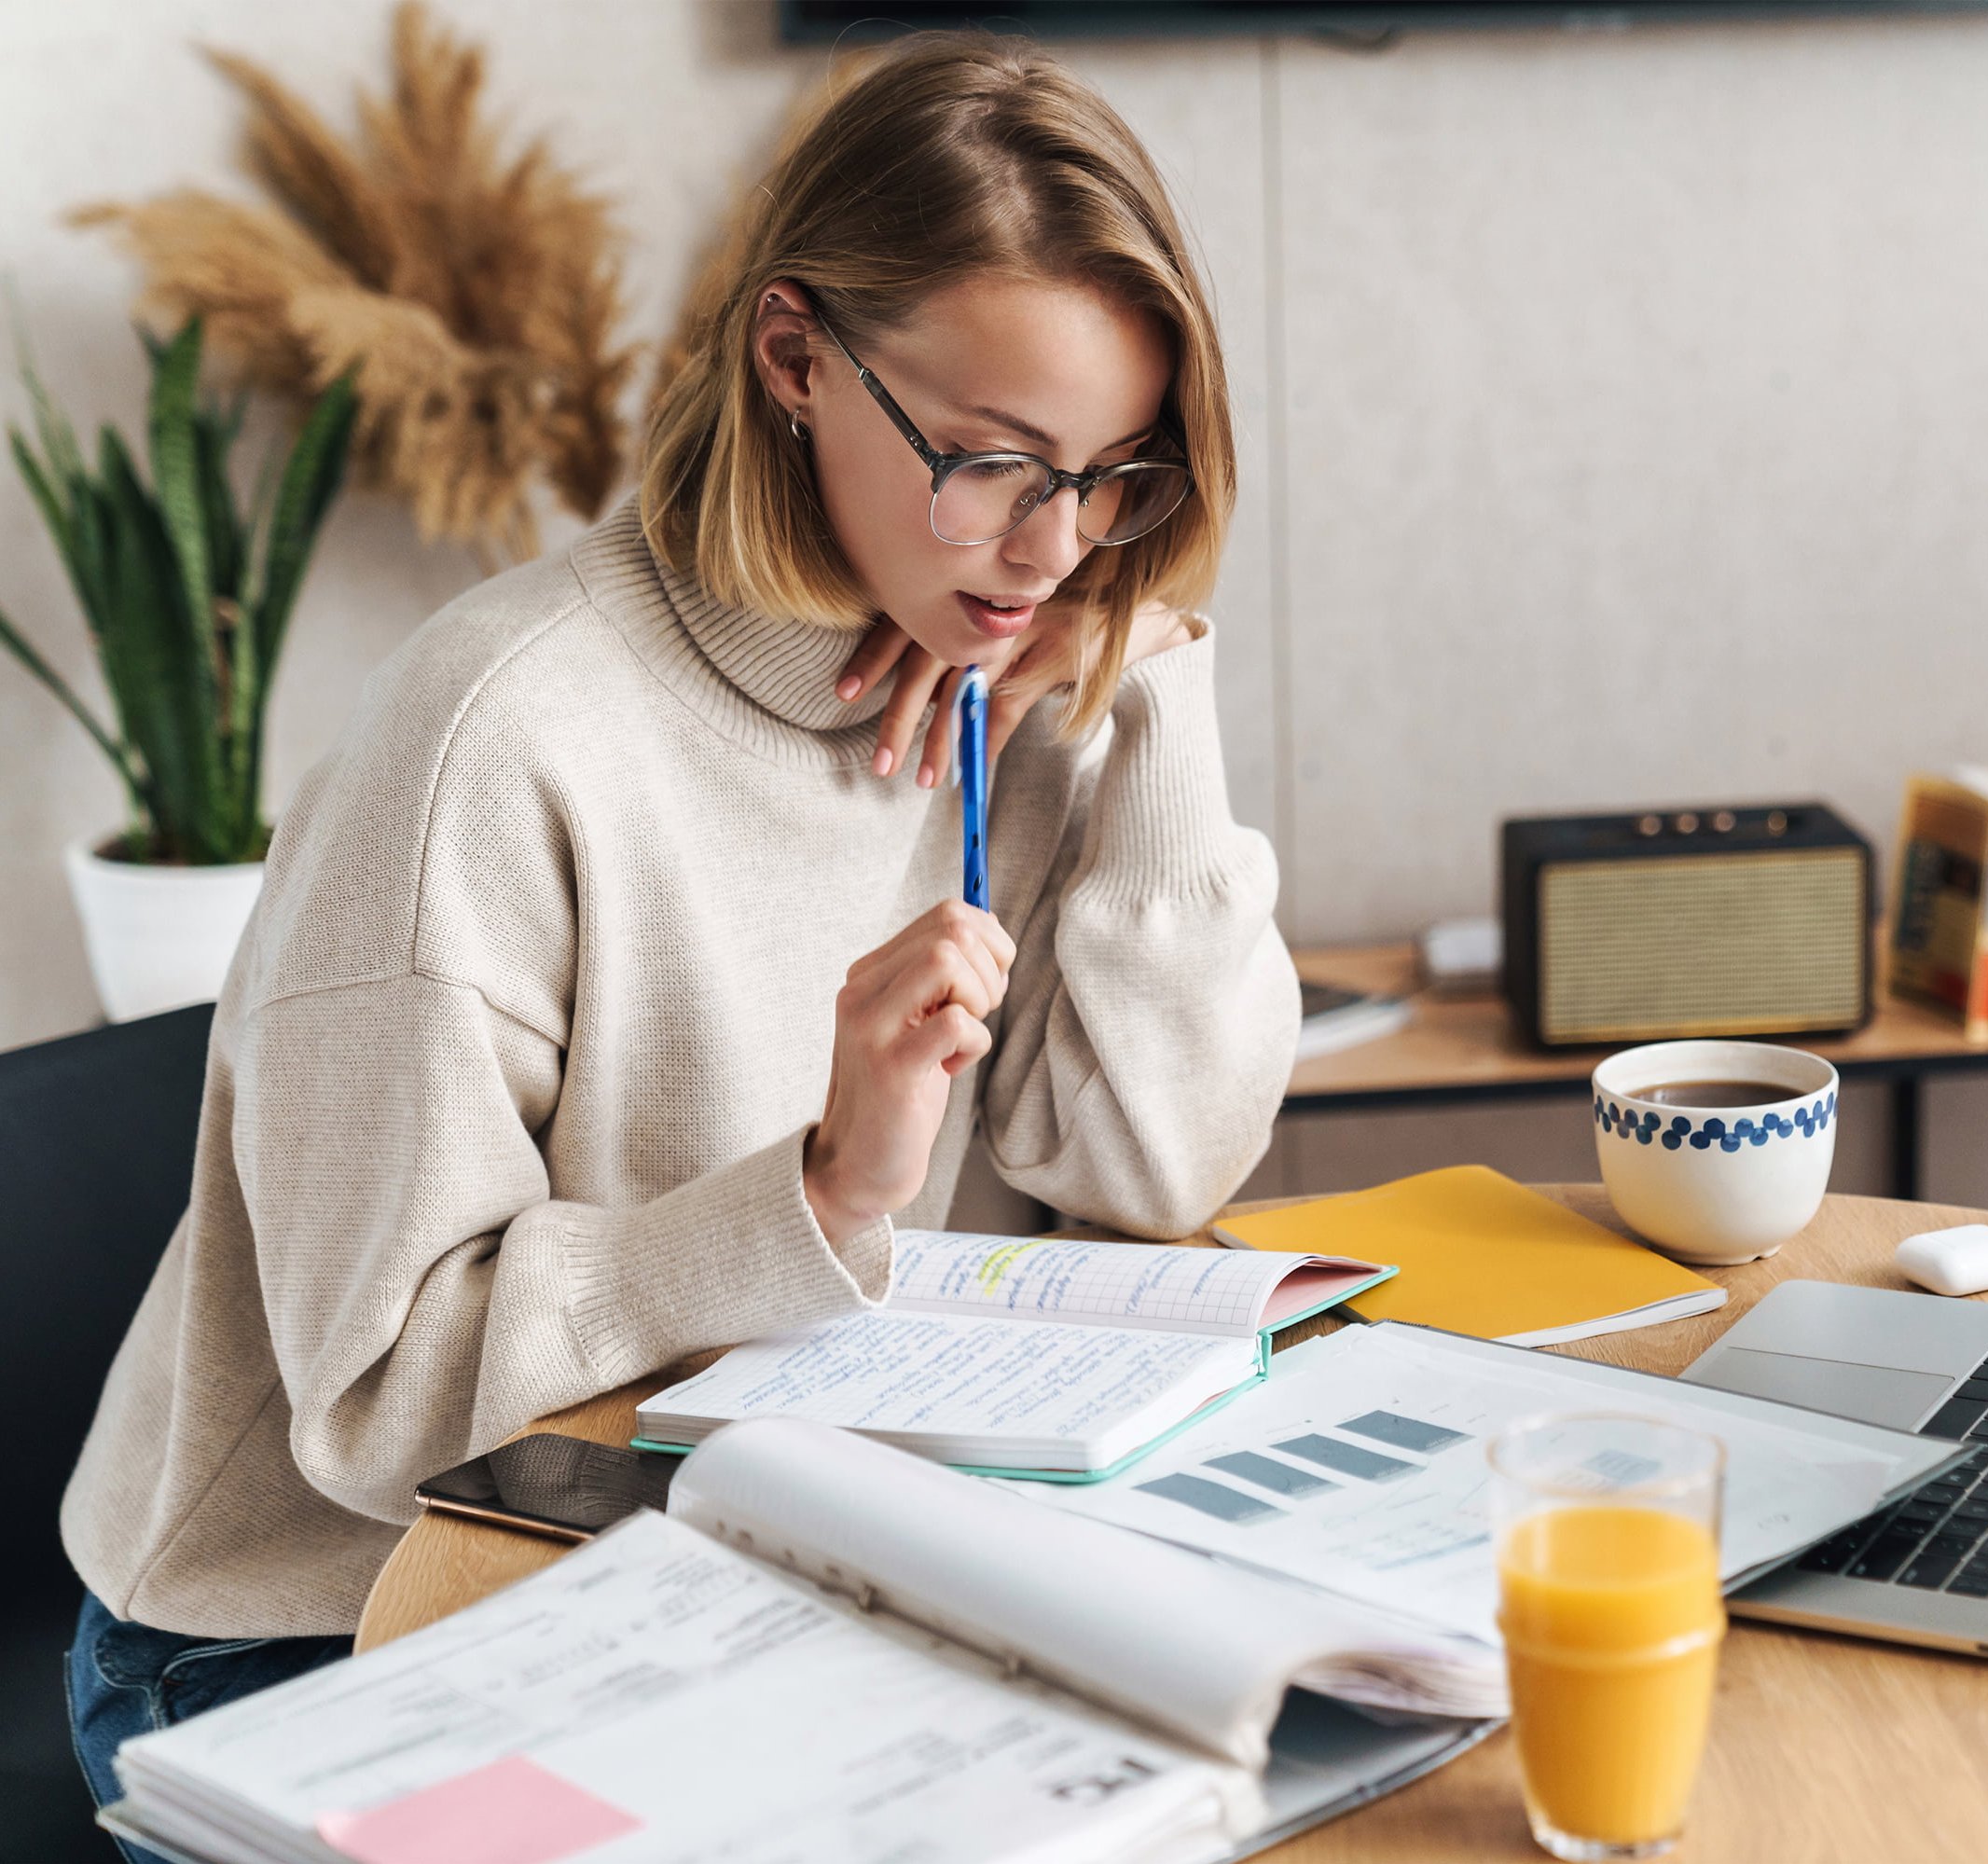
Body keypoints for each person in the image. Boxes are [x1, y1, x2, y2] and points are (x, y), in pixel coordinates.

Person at [61, 33, 1297, 1852]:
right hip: (321, 1629)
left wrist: (1151, 695)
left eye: (1117, 476)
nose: (1053, 546)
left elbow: (1152, 1166)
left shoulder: (1018, 664)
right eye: (990, 460)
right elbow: (380, 1406)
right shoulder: (494, 739)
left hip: (736, 1561)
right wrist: (819, 1183)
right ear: (794, 358)